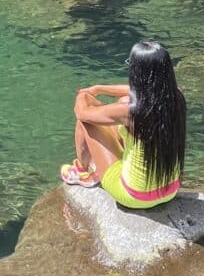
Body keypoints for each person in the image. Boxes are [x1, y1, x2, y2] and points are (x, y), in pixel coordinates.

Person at [61, 40, 186, 209]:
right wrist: (99, 88)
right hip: (170, 190)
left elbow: (81, 113)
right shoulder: (176, 96)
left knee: (86, 121)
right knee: (121, 102)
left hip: (136, 196)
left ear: (137, 72)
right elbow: (141, 91)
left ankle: (83, 172)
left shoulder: (129, 111)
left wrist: (84, 96)